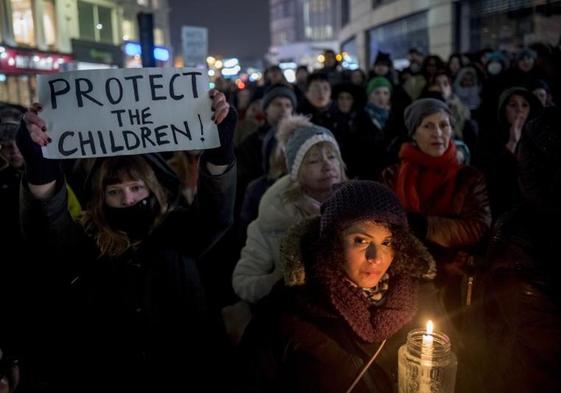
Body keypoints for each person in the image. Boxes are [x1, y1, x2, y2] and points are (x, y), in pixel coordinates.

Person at [17, 89, 237, 392]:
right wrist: (40, 166)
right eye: (115, 191)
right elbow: (46, 227)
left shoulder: (180, 230)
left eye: (135, 187)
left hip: (186, 372)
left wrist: (220, 151)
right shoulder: (85, 240)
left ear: (153, 187)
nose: (128, 199)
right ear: (100, 197)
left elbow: (217, 213)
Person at [239, 180, 436, 393]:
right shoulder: (288, 309)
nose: (376, 258)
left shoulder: (419, 299)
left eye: (386, 242)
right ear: (334, 241)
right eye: (361, 240)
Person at [381, 98, 491, 334]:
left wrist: (425, 226)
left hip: (453, 278)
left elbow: (477, 226)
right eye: (428, 126)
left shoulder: (469, 178)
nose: (438, 133)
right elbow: (383, 225)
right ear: (414, 133)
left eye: (444, 125)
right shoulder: (392, 175)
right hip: (402, 276)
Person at [233, 116, 346, 304]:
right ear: (296, 172)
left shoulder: (359, 208)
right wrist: (282, 281)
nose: (327, 166)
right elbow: (243, 282)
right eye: (314, 161)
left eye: (332, 157)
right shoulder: (275, 217)